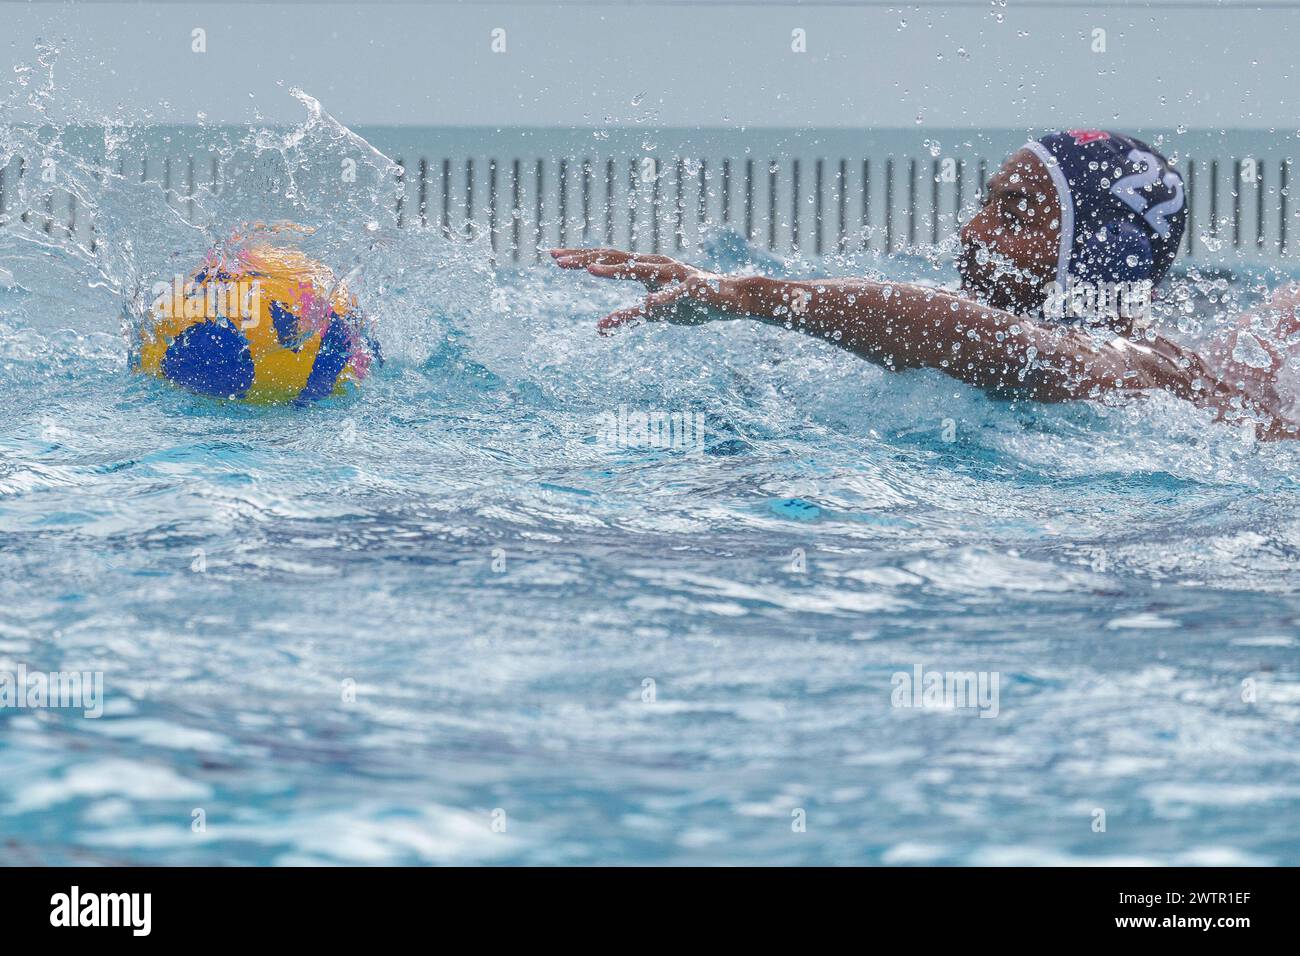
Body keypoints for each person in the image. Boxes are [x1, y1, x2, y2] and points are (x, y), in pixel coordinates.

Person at [552, 129, 1299, 441]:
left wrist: (755, 297)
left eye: (1014, 212)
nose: (972, 234)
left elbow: (1010, 350)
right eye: (983, 204)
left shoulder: (1132, 368)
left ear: (1095, 247)